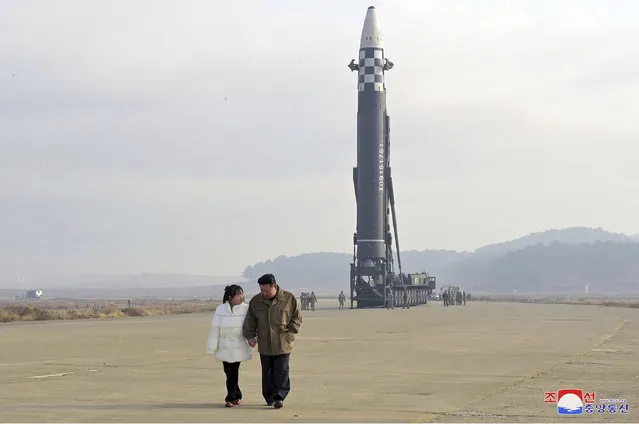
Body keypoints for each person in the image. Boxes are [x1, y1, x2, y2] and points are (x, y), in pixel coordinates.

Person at [242, 273, 303, 409]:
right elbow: (250, 321)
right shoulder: (256, 301)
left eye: (266, 290)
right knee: (267, 372)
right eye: (261, 290)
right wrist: (250, 336)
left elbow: (297, 317)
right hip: (265, 343)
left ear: (274, 286)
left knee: (281, 370)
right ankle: (269, 397)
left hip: (283, 342)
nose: (264, 293)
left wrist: (290, 331)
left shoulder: (289, 298)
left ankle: (279, 397)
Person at [206, 284, 252, 407]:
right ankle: (238, 394)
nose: (241, 296)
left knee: (233, 371)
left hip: (238, 345)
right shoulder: (220, 309)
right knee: (228, 371)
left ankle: (230, 397)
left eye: (242, 293)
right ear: (230, 297)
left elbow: (251, 326)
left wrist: (253, 339)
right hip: (224, 345)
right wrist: (212, 346)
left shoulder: (246, 309)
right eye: (238, 294)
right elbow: (215, 328)